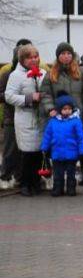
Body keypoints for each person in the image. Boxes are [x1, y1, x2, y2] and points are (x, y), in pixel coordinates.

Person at [5, 44, 46, 196]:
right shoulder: (16, 76)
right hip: (25, 116)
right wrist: (29, 98)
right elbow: (9, 96)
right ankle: (24, 183)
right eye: (29, 57)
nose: (33, 60)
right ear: (22, 59)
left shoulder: (42, 73)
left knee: (38, 152)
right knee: (27, 152)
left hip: (40, 117)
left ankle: (36, 182)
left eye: (35, 57)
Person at [41, 94, 83, 197]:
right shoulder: (53, 122)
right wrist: (44, 147)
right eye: (64, 109)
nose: (67, 111)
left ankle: (71, 189)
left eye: (69, 108)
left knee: (71, 173)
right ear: (59, 109)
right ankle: (58, 189)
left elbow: (81, 137)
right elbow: (47, 135)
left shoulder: (76, 121)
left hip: (71, 153)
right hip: (57, 153)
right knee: (58, 174)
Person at [1, 39, 33, 190]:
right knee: (9, 150)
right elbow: (2, 94)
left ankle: (21, 177)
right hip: (10, 118)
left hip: (27, 116)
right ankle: (6, 176)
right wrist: (16, 97)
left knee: (24, 150)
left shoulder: (34, 73)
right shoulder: (8, 73)